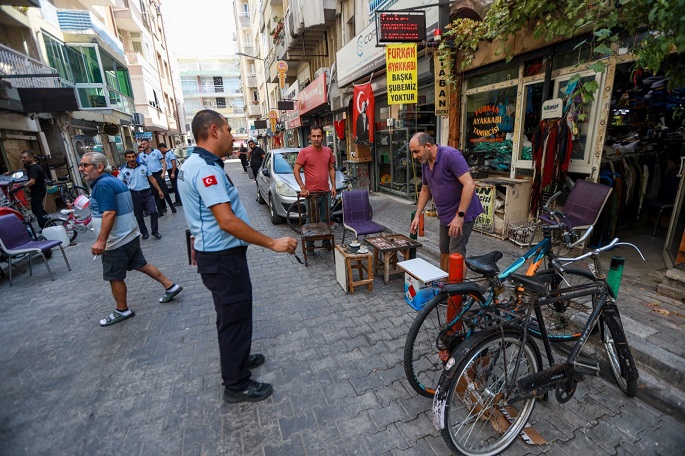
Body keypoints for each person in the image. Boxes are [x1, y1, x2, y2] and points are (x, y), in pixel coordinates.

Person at [177, 109, 297, 403]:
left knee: (235, 315)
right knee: (233, 318)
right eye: (229, 129)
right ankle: (236, 384)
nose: (233, 136)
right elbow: (227, 221)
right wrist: (271, 243)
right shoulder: (204, 168)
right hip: (222, 258)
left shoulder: (200, 163)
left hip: (219, 256)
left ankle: (238, 359)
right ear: (214, 130)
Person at [81, 152, 182, 327]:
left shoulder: (103, 184)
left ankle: (122, 310)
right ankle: (170, 286)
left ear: (99, 167)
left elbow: (109, 212)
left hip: (117, 240)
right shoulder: (113, 180)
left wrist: (101, 240)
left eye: (85, 165)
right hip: (128, 235)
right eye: (81, 165)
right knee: (141, 264)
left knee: (114, 276)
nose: (81, 169)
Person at [409, 133, 483, 274]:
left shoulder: (450, 156)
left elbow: (469, 185)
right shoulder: (425, 163)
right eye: (412, 152)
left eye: (416, 151)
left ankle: (458, 292)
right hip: (445, 214)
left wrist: (459, 217)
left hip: (462, 213)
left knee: (456, 255)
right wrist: (417, 215)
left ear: (428, 146)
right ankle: (445, 285)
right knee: (444, 251)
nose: (414, 156)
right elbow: (425, 190)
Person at [293, 125, 337, 254]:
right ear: (310, 137)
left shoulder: (328, 151)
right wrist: (302, 187)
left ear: (322, 137)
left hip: (325, 191)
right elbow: (296, 170)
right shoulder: (304, 152)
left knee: (325, 218)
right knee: (311, 220)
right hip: (311, 193)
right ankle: (310, 245)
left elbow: (331, 168)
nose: (316, 139)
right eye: (314, 136)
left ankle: (325, 242)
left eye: (319, 136)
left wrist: (333, 186)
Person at [118, 150, 164, 240]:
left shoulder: (144, 166)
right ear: (126, 158)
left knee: (153, 212)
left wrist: (159, 190)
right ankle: (144, 232)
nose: (131, 159)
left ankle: (155, 231)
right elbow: (119, 182)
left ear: (136, 157)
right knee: (138, 216)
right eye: (129, 157)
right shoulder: (123, 170)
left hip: (147, 193)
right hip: (134, 195)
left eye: (133, 156)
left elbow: (152, 178)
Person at [140, 139, 175, 215]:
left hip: (158, 173)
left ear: (148, 144)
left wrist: (163, 172)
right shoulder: (141, 155)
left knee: (165, 192)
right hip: (150, 176)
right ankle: (159, 210)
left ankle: (172, 206)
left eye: (144, 144)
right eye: (141, 144)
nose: (142, 145)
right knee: (155, 194)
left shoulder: (156, 152)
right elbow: (142, 167)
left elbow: (164, 163)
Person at [20, 150, 48, 228]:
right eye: (21, 158)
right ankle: (49, 222)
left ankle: (44, 227)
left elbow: (32, 181)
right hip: (38, 190)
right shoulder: (32, 167)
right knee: (39, 209)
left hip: (38, 191)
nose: (23, 159)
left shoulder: (34, 168)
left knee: (37, 210)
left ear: (31, 157)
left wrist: (21, 187)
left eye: (24, 157)